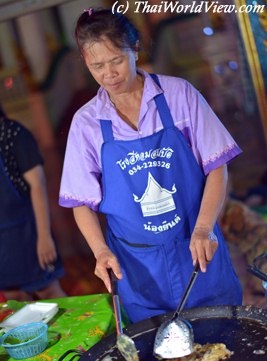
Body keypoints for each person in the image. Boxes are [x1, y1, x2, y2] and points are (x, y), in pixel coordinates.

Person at [59, 8, 242, 323]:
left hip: (196, 251)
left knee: (222, 340)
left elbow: (216, 165)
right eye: (97, 66)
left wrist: (203, 228)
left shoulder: (178, 95)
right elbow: (81, 202)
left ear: (135, 49)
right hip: (137, 266)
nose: (109, 74)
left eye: (116, 60)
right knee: (157, 360)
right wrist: (101, 251)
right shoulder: (86, 124)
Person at [0, 106, 66, 301]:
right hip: (3, 242)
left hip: (28, 231)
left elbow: (38, 185)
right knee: (15, 298)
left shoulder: (14, 134)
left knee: (48, 292)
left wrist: (44, 237)